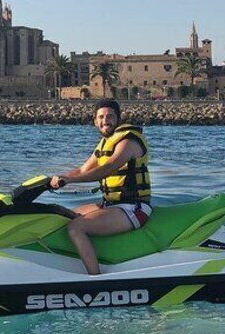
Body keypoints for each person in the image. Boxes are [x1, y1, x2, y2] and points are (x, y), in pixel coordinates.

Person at [50, 99, 151, 275]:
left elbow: (108, 168)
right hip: (110, 205)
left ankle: (94, 277)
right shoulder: (105, 143)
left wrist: (71, 181)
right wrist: (53, 180)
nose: (106, 120)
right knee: (63, 216)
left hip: (134, 208)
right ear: (95, 121)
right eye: (101, 117)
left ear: (118, 119)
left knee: (76, 227)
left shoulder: (129, 141)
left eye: (110, 116)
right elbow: (82, 169)